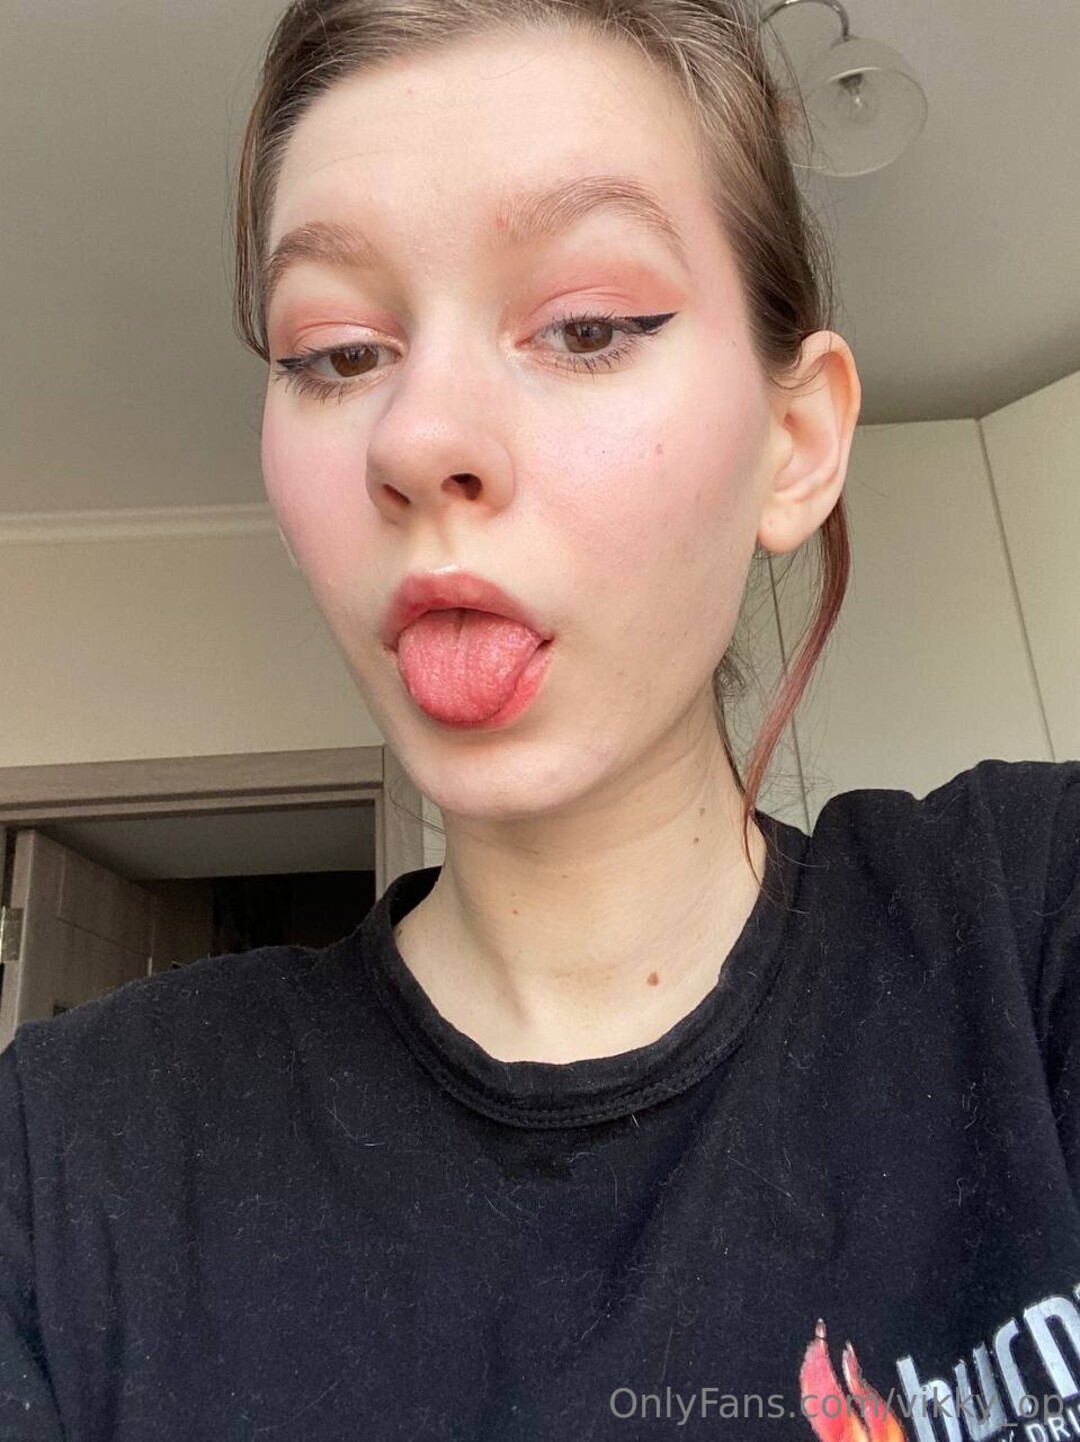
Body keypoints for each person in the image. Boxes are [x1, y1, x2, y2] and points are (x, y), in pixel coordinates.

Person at [1, 1, 1076, 1438]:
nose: (416, 438)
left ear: (796, 442)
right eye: (337, 350)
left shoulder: (1032, 925)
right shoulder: (70, 1153)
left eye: (586, 326)